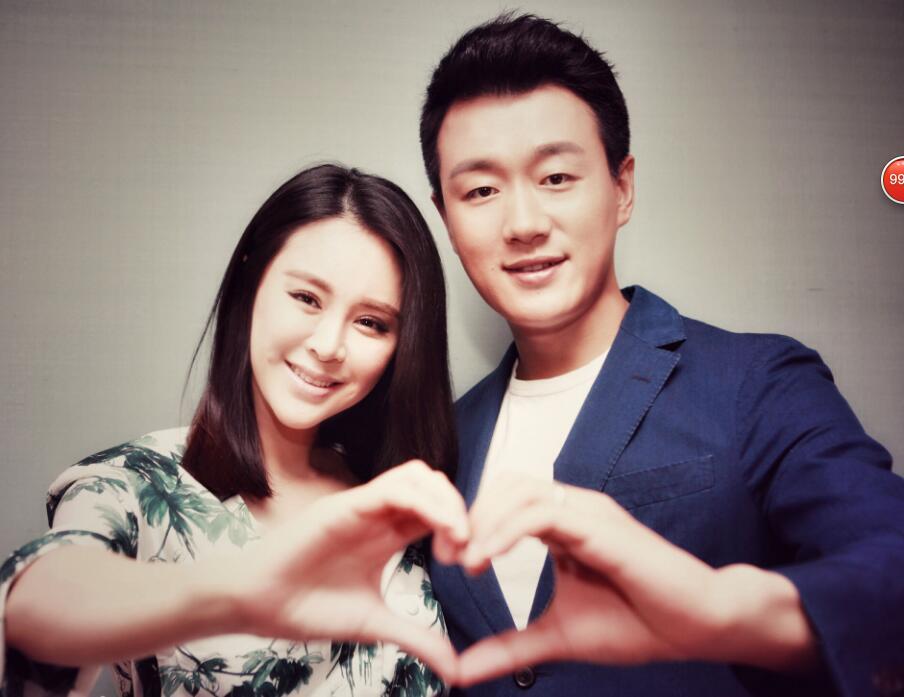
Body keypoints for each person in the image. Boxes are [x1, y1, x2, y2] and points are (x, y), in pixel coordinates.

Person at [418, 13, 904, 697]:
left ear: (622, 189)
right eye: (480, 191)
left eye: (556, 177)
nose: (523, 223)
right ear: (446, 217)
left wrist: (719, 609)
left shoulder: (757, 382)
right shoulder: (443, 439)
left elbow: (891, 561)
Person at [0, 164, 470, 697]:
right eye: (307, 298)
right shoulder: (137, 483)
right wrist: (233, 592)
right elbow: (38, 605)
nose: (328, 345)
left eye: (371, 322)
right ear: (250, 280)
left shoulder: (394, 496)